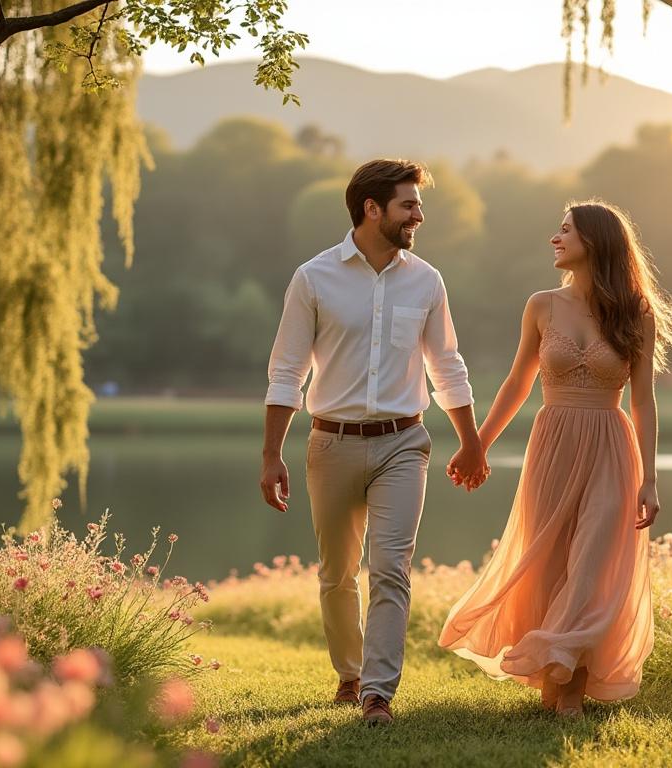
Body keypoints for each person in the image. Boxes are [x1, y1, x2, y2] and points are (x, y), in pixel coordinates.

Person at [260, 159, 489, 726]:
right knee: (337, 573)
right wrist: (271, 455)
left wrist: (472, 441)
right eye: (409, 204)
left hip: (403, 444)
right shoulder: (313, 278)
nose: (419, 214)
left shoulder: (427, 280)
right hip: (330, 444)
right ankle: (350, 673)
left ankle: (377, 695)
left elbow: (448, 366)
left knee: (391, 568)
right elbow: (286, 371)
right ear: (372, 208)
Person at [438, 199, 672, 718]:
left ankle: (571, 685)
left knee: (592, 563)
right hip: (552, 444)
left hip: (611, 447)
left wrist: (652, 479)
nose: (555, 237)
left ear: (593, 241)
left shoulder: (635, 312)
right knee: (548, 560)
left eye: (565, 230)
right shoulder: (542, 304)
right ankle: (555, 674)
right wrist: (476, 443)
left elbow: (643, 400)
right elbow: (517, 383)